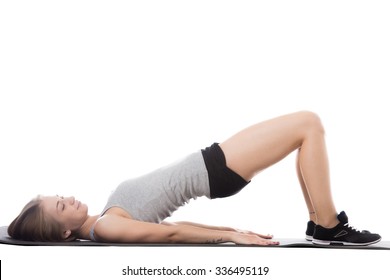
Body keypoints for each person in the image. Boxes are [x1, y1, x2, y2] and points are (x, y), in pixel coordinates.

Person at [8, 111, 381, 246]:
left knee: (306, 127)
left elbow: (174, 223)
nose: (69, 197)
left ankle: (321, 224)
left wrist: (231, 228)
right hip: (215, 169)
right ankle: (329, 225)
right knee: (308, 123)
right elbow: (171, 235)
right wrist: (230, 237)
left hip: (213, 162)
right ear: (63, 234)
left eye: (60, 195)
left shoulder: (109, 216)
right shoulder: (107, 229)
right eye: (61, 206)